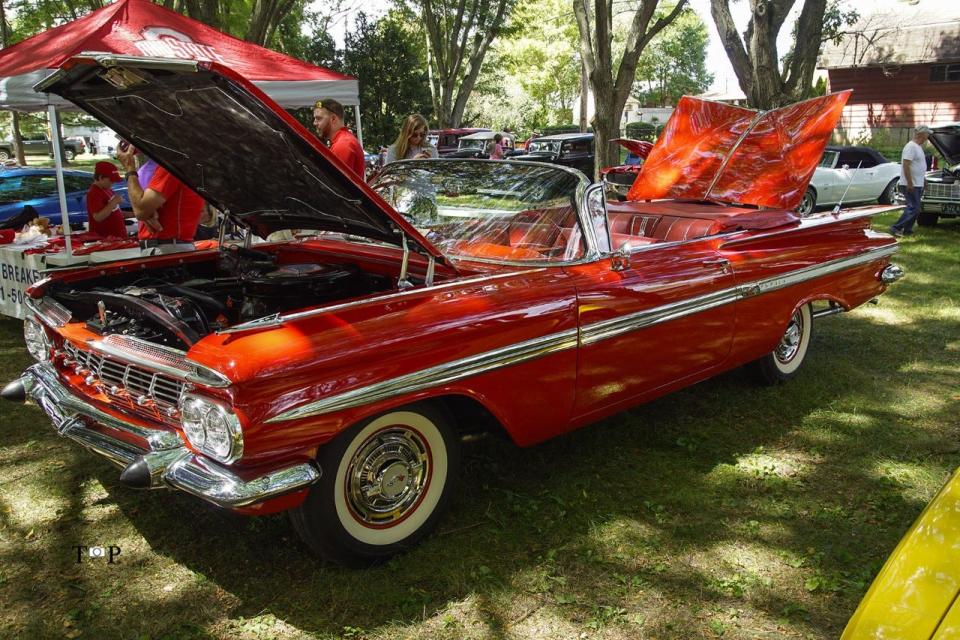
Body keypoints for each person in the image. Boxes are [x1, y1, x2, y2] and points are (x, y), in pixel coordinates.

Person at [117, 145, 204, 254]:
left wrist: (130, 168)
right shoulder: (175, 163)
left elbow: (140, 210)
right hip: (168, 245)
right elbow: (142, 208)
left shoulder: (173, 164)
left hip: (166, 247)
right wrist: (147, 212)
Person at [890, 125, 932, 237]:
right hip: (910, 183)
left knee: (916, 208)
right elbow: (906, 165)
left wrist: (923, 180)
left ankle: (907, 230)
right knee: (914, 207)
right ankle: (896, 228)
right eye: (927, 134)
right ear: (921, 134)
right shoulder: (911, 147)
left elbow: (918, 166)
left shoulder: (918, 147)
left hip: (917, 183)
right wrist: (909, 182)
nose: (928, 137)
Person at [313, 98, 365, 178]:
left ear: (333, 119)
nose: (314, 123)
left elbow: (333, 184)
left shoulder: (343, 144)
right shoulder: (343, 140)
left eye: (319, 118)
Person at [86, 161, 128, 237]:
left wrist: (135, 214)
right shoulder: (94, 193)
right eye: (111, 180)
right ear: (100, 177)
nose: (113, 183)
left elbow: (115, 212)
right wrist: (113, 202)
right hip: (105, 238)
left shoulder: (107, 189)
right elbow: (98, 217)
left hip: (118, 237)